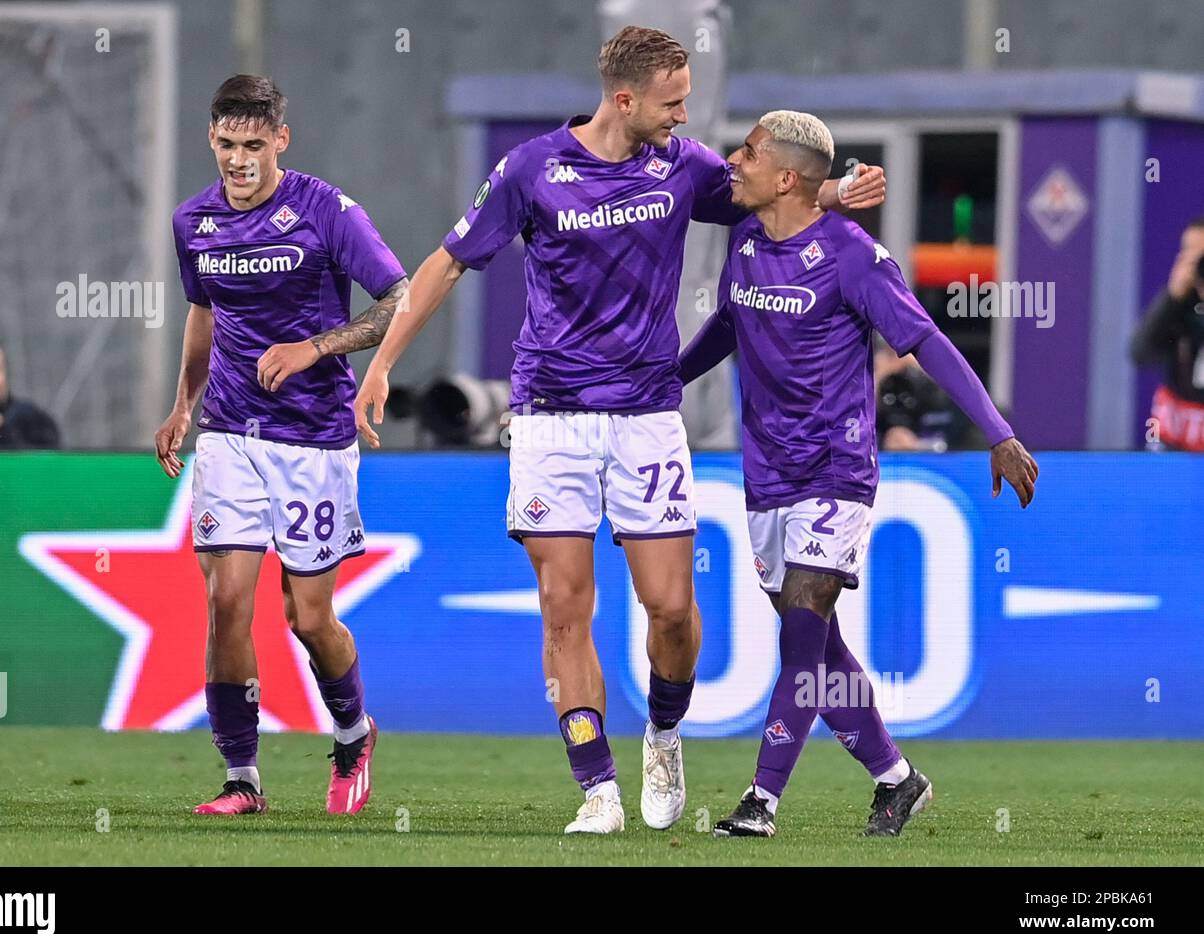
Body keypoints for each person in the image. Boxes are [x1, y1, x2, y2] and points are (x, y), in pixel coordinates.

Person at [353, 27, 886, 834]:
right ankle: (597, 787)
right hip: (548, 420)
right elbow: (445, 263)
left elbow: (767, 192)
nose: (684, 116)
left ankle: (663, 735)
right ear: (626, 98)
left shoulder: (684, 166)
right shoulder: (533, 170)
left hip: (645, 419)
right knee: (564, 606)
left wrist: (835, 192)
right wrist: (384, 360)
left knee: (670, 611)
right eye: (674, 102)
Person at [678, 110, 1037, 838]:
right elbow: (728, 325)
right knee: (820, 649)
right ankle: (896, 779)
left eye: (746, 153)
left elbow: (925, 340)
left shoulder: (852, 256)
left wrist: (997, 431)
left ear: (785, 176)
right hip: (767, 474)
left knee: (801, 640)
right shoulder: (745, 239)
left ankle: (760, 802)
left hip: (835, 472)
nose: (732, 163)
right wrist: (666, 378)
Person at [154, 75, 408, 816]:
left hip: (313, 439)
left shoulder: (326, 211)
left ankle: (354, 733)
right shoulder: (192, 223)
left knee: (307, 617)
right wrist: (182, 406)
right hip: (229, 431)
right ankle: (242, 778)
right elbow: (203, 317)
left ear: (281, 141)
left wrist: (315, 347)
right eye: (227, 145)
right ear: (211, 138)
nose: (239, 161)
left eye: (254, 146)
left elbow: (398, 302)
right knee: (226, 601)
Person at [1131, 216, 1204, 451]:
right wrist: (1172, 298)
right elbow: (1140, 352)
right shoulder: (1177, 306)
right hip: (1175, 442)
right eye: (1189, 254)